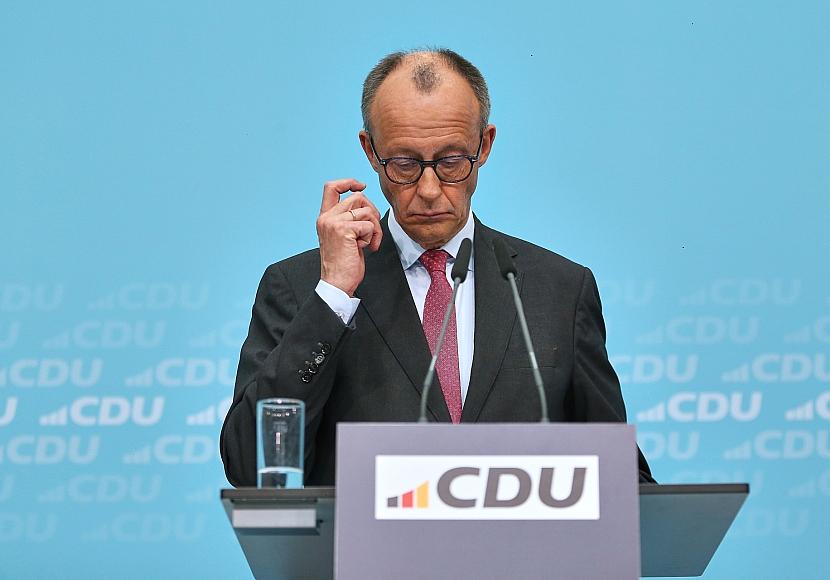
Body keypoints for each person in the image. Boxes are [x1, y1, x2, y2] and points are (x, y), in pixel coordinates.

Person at [220, 48, 655, 486]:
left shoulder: (558, 290)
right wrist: (333, 296)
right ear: (371, 151)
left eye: (450, 162)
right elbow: (248, 465)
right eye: (405, 164)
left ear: (484, 145)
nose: (429, 190)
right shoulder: (302, 288)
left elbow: (621, 476)